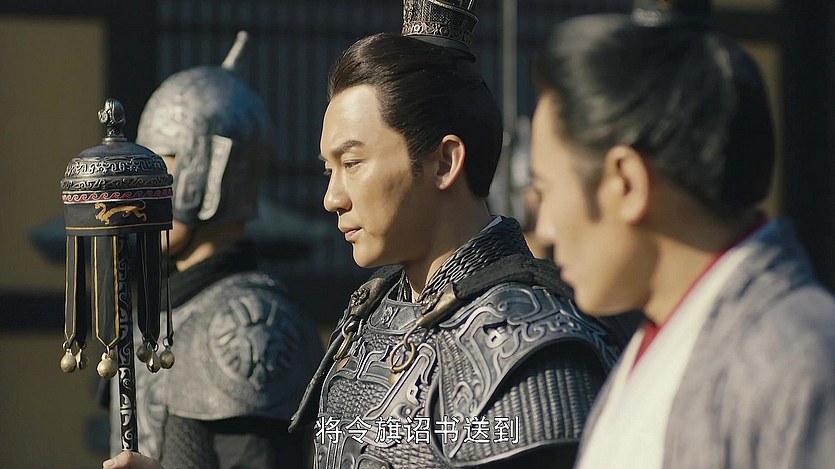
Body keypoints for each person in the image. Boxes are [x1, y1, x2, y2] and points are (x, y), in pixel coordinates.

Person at [103, 2, 631, 469]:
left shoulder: (530, 346)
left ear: (444, 161)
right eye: (328, 169)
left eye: (352, 163)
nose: (332, 197)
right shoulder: (369, 321)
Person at [529, 1, 835, 468]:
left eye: (548, 191)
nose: (545, 230)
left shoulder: (796, 360)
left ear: (626, 183)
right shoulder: (656, 336)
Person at [106, 32, 323, 469]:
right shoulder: (163, 309)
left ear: (213, 172)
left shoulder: (251, 322)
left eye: (162, 168)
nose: (144, 192)